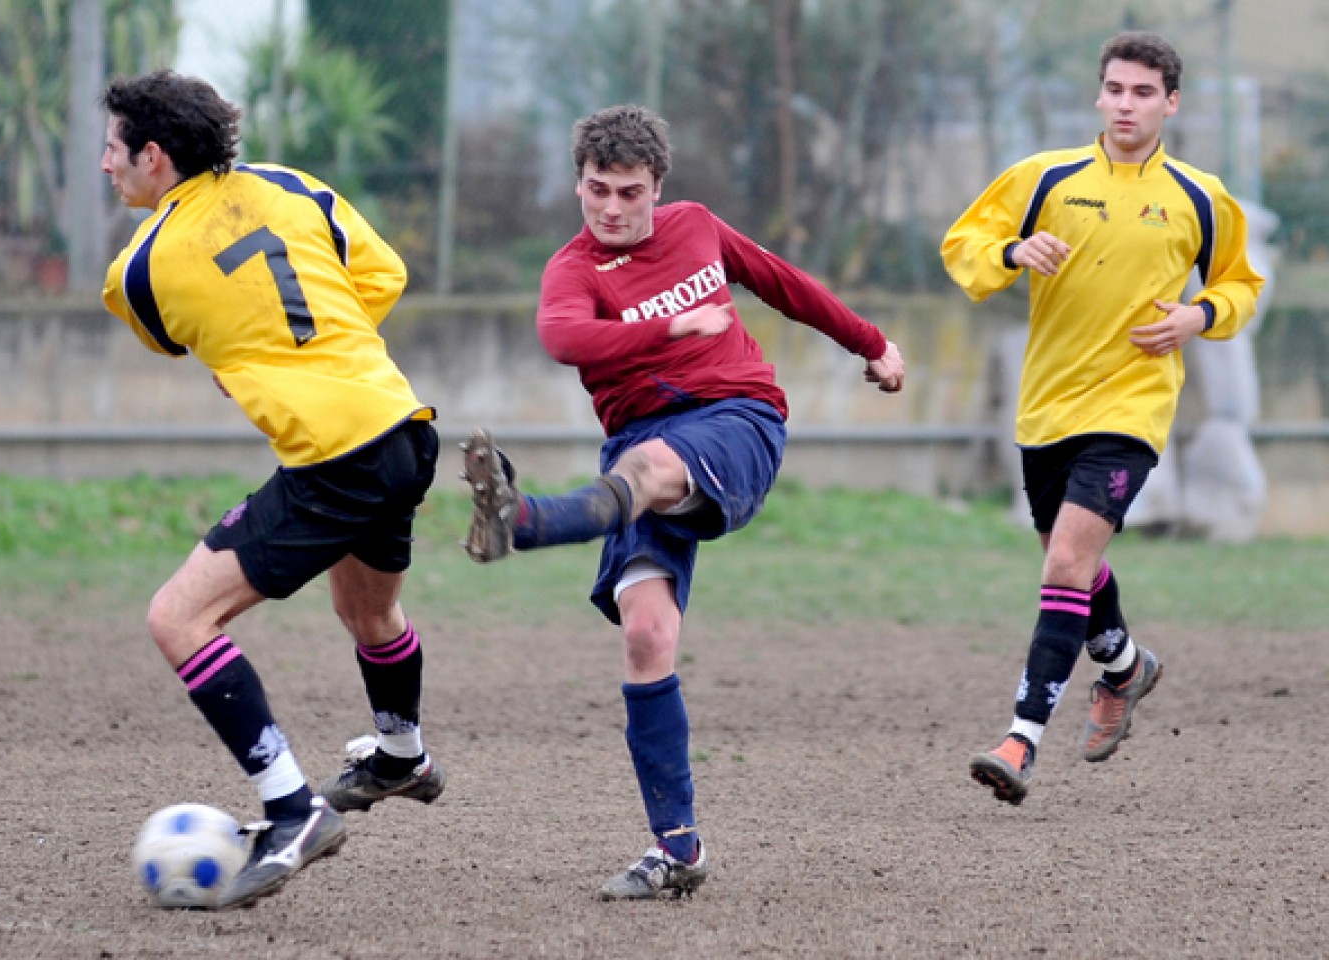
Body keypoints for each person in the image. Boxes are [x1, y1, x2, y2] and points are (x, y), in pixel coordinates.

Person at [461, 104, 906, 899]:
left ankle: (527, 522)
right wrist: (667, 329)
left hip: (737, 422)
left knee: (657, 466)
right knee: (646, 634)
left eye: (630, 192)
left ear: (657, 188)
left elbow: (783, 283)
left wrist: (870, 343)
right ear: (578, 185)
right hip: (635, 451)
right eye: (597, 189)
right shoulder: (572, 271)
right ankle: (677, 848)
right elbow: (565, 340)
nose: (612, 208)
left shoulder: (697, 226)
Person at [100, 70, 446, 908]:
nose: (104, 163)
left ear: (154, 155)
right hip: (405, 430)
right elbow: (384, 276)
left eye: (112, 148)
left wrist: (261, 359)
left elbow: (188, 336)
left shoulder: (136, 272)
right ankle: (400, 752)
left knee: (177, 617)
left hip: (335, 458)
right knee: (368, 612)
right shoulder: (295, 186)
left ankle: (292, 809)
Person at [941, 32, 1264, 805]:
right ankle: (1123, 667)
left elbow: (1241, 285)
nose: (1127, 104)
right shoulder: (1045, 176)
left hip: (1134, 406)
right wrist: (1015, 252)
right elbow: (965, 244)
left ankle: (1020, 738)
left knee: (1062, 567)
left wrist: (1201, 314)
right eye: (1115, 89)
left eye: (1144, 93)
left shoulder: (1199, 196)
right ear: (1099, 95)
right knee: (1070, 560)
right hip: (1048, 405)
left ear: (1171, 103)